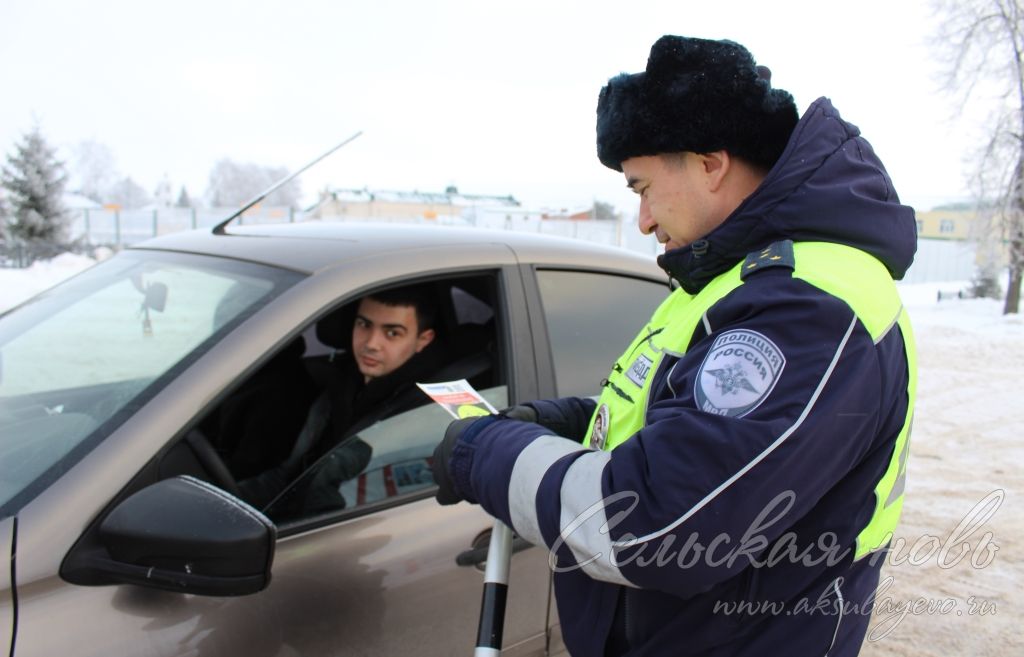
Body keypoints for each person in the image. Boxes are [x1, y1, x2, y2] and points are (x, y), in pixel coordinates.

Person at [431, 35, 917, 657]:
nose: (642, 220)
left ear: (710, 162)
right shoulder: (728, 281)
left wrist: (487, 453)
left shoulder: (806, 304)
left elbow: (654, 524)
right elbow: (679, 418)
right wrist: (567, 421)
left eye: (641, 188)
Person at [237, 284, 442, 509]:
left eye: (392, 333)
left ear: (423, 340)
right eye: (364, 324)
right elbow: (291, 474)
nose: (371, 344)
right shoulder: (341, 381)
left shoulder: (433, 410)